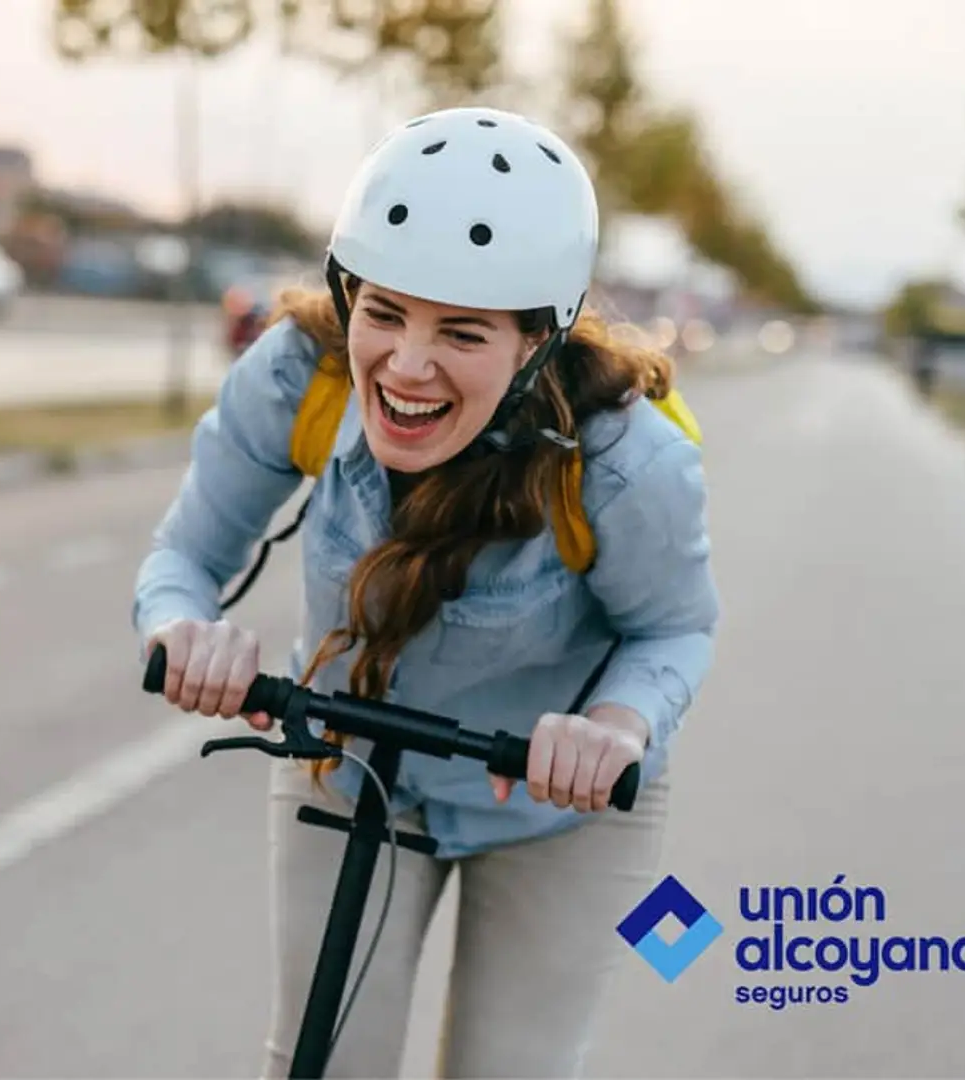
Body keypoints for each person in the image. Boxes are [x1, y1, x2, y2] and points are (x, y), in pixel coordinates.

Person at [134, 107, 719, 1078]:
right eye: (386, 312)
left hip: (556, 809)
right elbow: (182, 561)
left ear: (538, 341)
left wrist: (614, 730)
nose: (407, 365)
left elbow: (675, 631)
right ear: (347, 295)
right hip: (351, 765)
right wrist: (185, 628)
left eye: (463, 332)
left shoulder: (623, 461)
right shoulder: (298, 377)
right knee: (320, 1065)